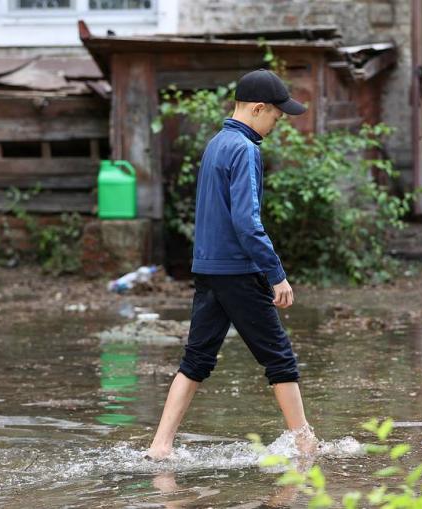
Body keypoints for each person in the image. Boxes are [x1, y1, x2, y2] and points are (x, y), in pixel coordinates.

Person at [147, 69, 317, 460]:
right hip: (239, 271)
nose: (277, 123)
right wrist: (276, 275)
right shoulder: (245, 149)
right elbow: (247, 220)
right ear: (258, 108)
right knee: (279, 358)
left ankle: (160, 446)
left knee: (197, 358)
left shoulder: (216, 144)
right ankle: (306, 444)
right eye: (276, 116)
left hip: (208, 268)